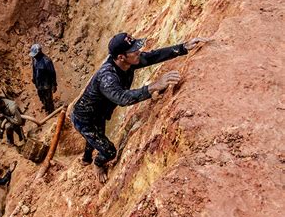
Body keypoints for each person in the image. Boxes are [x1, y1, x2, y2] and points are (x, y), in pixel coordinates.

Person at [71, 32, 208, 183]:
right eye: (133, 50)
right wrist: (153, 86)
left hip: (99, 114)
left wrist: (183, 47)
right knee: (109, 151)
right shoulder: (107, 77)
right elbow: (123, 98)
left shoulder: (127, 62)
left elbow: (152, 56)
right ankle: (97, 163)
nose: (138, 52)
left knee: (95, 137)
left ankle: (85, 159)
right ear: (121, 57)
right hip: (85, 118)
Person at [30, 43, 57, 113]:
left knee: (48, 98)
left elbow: (52, 73)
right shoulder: (34, 59)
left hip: (46, 84)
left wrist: (54, 84)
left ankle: (50, 110)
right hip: (39, 83)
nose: (34, 56)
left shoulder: (47, 61)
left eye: (35, 55)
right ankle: (45, 105)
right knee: (41, 96)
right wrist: (34, 78)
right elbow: (34, 69)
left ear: (39, 52)